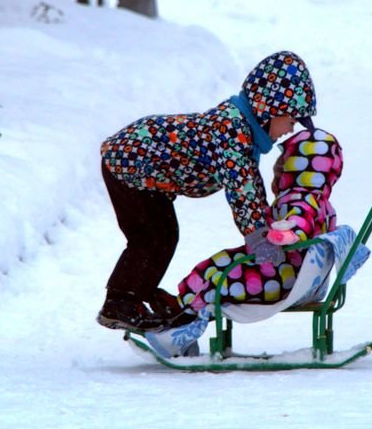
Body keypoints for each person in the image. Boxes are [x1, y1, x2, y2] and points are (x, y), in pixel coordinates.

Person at [97, 50, 317, 334]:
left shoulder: (241, 130)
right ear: (270, 109)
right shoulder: (232, 132)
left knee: (161, 235)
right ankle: (120, 302)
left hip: (144, 169)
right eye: (292, 119)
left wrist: (266, 226)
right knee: (152, 236)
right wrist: (260, 240)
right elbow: (242, 190)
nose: (291, 128)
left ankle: (139, 293)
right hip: (130, 162)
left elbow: (250, 183)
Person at [176, 127, 344, 318]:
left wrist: (289, 233)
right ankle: (180, 306)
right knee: (221, 261)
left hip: (283, 279)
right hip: (301, 279)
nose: (279, 169)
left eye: (284, 164)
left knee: (215, 281)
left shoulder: (300, 198)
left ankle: (182, 322)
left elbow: (300, 218)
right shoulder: (320, 201)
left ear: (296, 166)